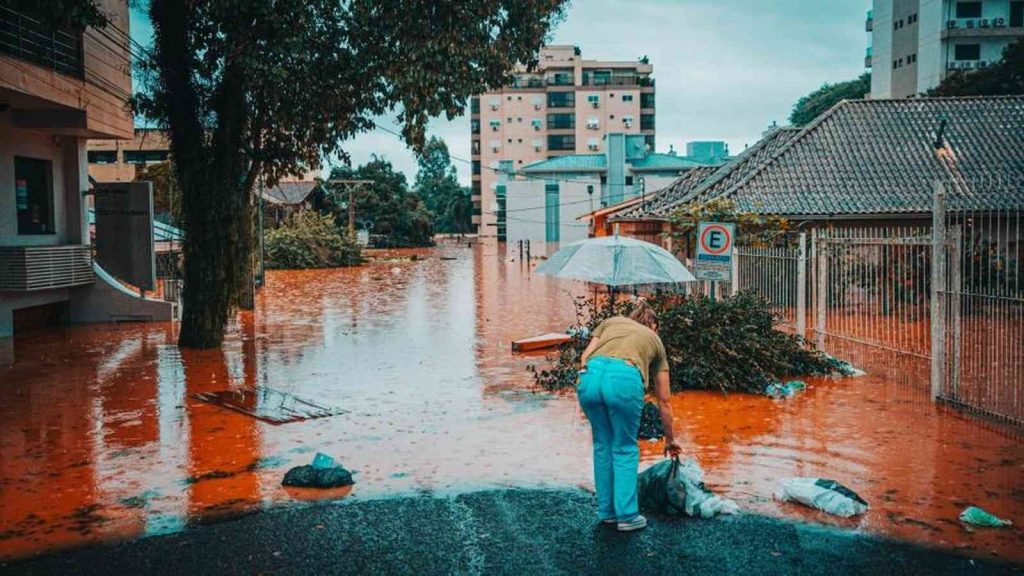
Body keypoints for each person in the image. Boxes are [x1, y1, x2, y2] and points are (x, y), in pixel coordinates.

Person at [577, 299, 681, 532]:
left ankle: (607, 513)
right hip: (623, 379)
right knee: (624, 447)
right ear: (653, 325)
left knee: (602, 445)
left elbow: (585, 357)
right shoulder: (654, 340)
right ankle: (627, 515)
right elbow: (664, 401)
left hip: (589, 378)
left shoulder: (610, 322)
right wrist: (670, 439)